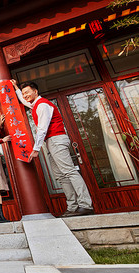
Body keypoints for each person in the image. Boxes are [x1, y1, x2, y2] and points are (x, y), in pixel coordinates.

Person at [12, 79, 94, 217]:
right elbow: (24, 101)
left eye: (27, 92)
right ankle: (72, 206)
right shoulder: (36, 104)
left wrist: (36, 149)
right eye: (24, 93)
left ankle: (86, 205)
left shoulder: (42, 105)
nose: (25, 95)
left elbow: (42, 129)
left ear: (35, 91)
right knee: (61, 176)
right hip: (51, 142)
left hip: (56, 140)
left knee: (69, 171)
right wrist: (16, 88)